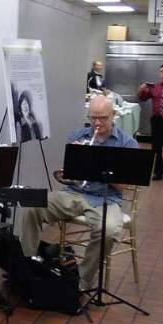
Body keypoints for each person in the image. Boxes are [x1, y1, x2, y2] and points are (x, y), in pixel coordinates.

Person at [21, 96, 138, 291]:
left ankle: (81, 282)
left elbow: (124, 185)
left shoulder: (127, 143)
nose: (97, 123)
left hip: (105, 199)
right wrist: (72, 167)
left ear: (114, 115)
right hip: (74, 193)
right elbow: (70, 178)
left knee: (108, 230)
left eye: (102, 118)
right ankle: (26, 267)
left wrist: (97, 165)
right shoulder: (79, 136)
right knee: (33, 206)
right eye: (93, 118)